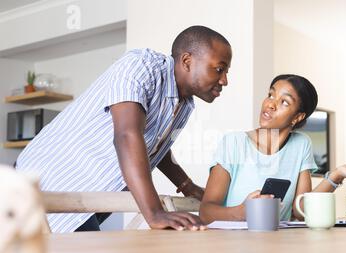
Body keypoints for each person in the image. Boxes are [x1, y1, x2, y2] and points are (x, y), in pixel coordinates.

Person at [15, 25, 232, 233]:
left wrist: (186, 185)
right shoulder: (140, 66)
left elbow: (154, 145)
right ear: (187, 61)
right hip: (49, 182)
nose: (224, 80)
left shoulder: (184, 104)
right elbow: (127, 136)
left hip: (90, 194)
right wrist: (155, 213)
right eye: (219, 69)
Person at [199, 74, 346, 224]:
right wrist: (242, 212)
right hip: (232, 247)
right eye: (271, 95)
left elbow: (301, 212)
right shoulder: (233, 143)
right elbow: (206, 212)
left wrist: (336, 175)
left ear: (297, 117)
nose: (270, 104)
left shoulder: (301, 144)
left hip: (279, 247)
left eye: (284, 102)